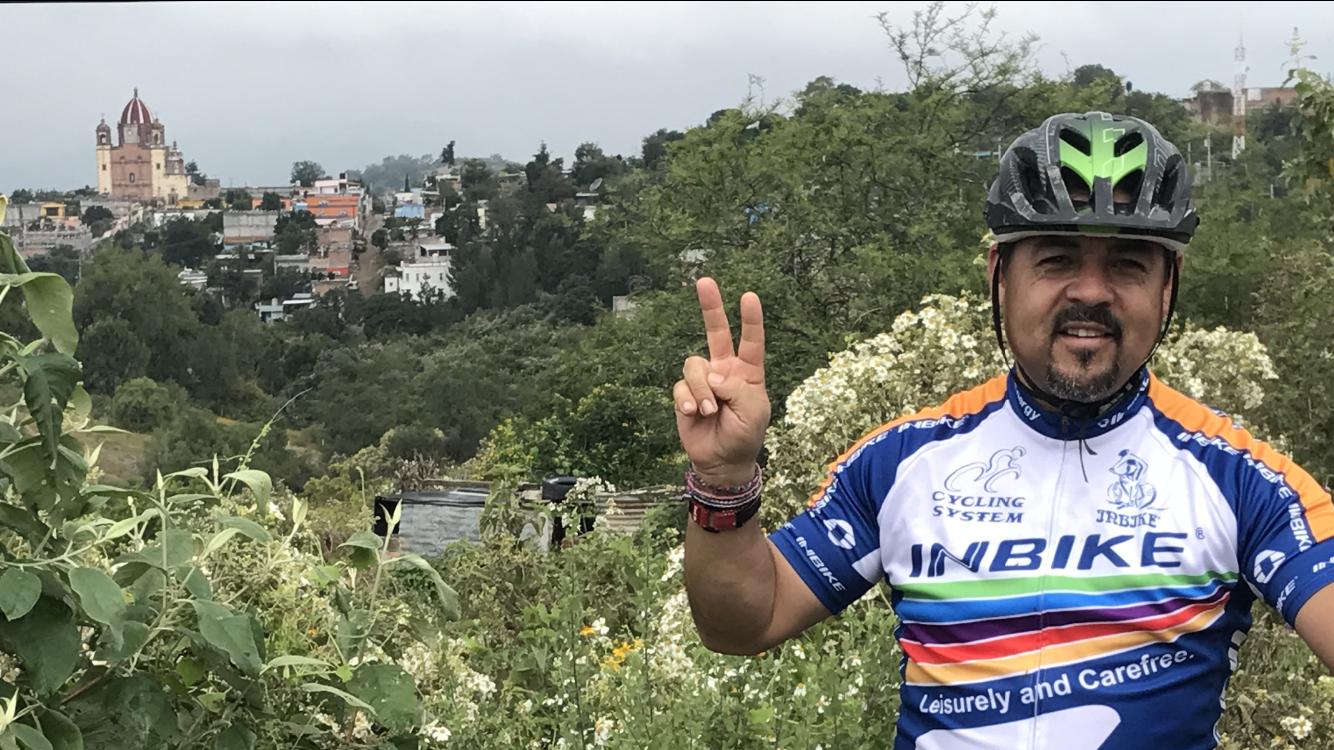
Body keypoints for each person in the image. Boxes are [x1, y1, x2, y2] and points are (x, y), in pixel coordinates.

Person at [674, 111, 1334, 749]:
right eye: (1056, 258)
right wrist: (723, 480)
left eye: (1128, 263)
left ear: (1169, 288)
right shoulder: (903, 461)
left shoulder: (1245, 480)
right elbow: (745, 622)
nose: (1092, 291)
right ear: (999, 276)